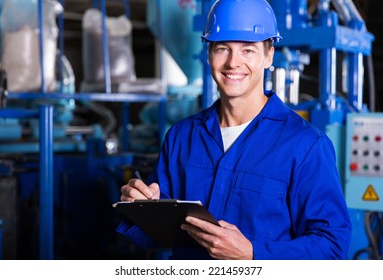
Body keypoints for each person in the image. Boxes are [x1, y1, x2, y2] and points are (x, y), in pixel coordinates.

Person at [117, 0, 352, 260]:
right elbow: (158, 234)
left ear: (268, 55)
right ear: (209, 54)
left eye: (248, 50)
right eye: (222, 49)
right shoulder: (182, 137)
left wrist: (254, 254)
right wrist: (139, 208)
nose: (233, 63)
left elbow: (332, 247)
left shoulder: (305, 145)